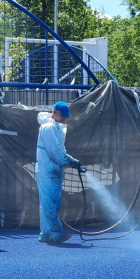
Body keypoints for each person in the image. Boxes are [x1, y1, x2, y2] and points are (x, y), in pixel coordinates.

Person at [35, 101, 85, 243]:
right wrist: (71, 161)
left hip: (53, 171)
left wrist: (71, 161)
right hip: (46, 171)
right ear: (55, 112)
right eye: (63, 115)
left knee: (51, 203)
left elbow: (60, 150)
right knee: (49, 203)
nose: (65, 118)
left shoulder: (57, 128)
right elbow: (55, 152)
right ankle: (56, 233)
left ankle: (46, 234)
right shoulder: (47, 128)